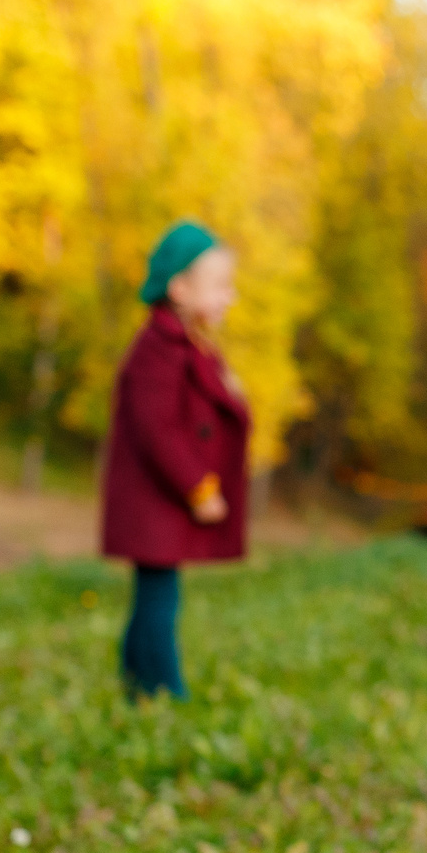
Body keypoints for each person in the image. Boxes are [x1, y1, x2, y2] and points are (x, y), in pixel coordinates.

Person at [99, 220, 250, 700]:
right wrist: (199, 488)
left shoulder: (189, 346)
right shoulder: (156, 353)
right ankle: (167, 693)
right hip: (154, 499)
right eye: (220, 287)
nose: (231, 297)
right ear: (179, 289)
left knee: (154, 596)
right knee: (160, 600)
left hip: (161, 503)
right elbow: (159, 432)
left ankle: (135, 683)